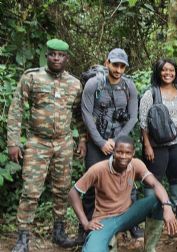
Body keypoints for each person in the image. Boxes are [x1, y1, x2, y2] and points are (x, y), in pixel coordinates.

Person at [7, 38, 87, 251]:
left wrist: (82, 139)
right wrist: (14, 142)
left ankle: (59, 232)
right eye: (52, 54)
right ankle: (23, 238)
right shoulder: (32, 77)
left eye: (60, 55)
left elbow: (79, 115)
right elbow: (16, 109)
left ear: (66, 58)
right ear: (47, 55)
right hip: (37, 143)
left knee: (61, 190)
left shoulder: (74, 84)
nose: (56, 58)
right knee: (31, 190)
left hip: (64, 144)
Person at [68, 135, 177, 252]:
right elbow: (73, 193)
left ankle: (149, 249)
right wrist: (85, 223)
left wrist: (167, 206)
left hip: (128, 214)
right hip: (104, 220)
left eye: (127, 153)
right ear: (113, 151)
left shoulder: (136, 165)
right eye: (119, 152)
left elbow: (156, 184)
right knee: (92, 250)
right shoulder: (98, 169)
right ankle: (108, 241)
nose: (123, 156)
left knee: (158, 200)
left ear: (133, 153)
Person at [80, 48, 141, 241]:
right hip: (97, 142)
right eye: (115, 64)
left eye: (122, 66)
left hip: (119, 144)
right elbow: (86, 114)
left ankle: (131, 223)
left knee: (128, 183)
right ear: (107, 63)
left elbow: (133, 117)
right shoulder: (94, 84)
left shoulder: (128, 86)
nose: (118, 69)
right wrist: (100, 142)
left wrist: (116, 142)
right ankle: (86, 225)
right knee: (91, 185)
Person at [139, 58, 177, 205]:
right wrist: (147, 145)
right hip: (156, 145)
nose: (168, 73)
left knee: (176, 179)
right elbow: (143, 122)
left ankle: (176, 213)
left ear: (176, 73)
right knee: (152, 179)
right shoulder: (150, 94)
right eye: (164, 70)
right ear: (159, 72)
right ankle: (152, 213)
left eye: (171, 70)